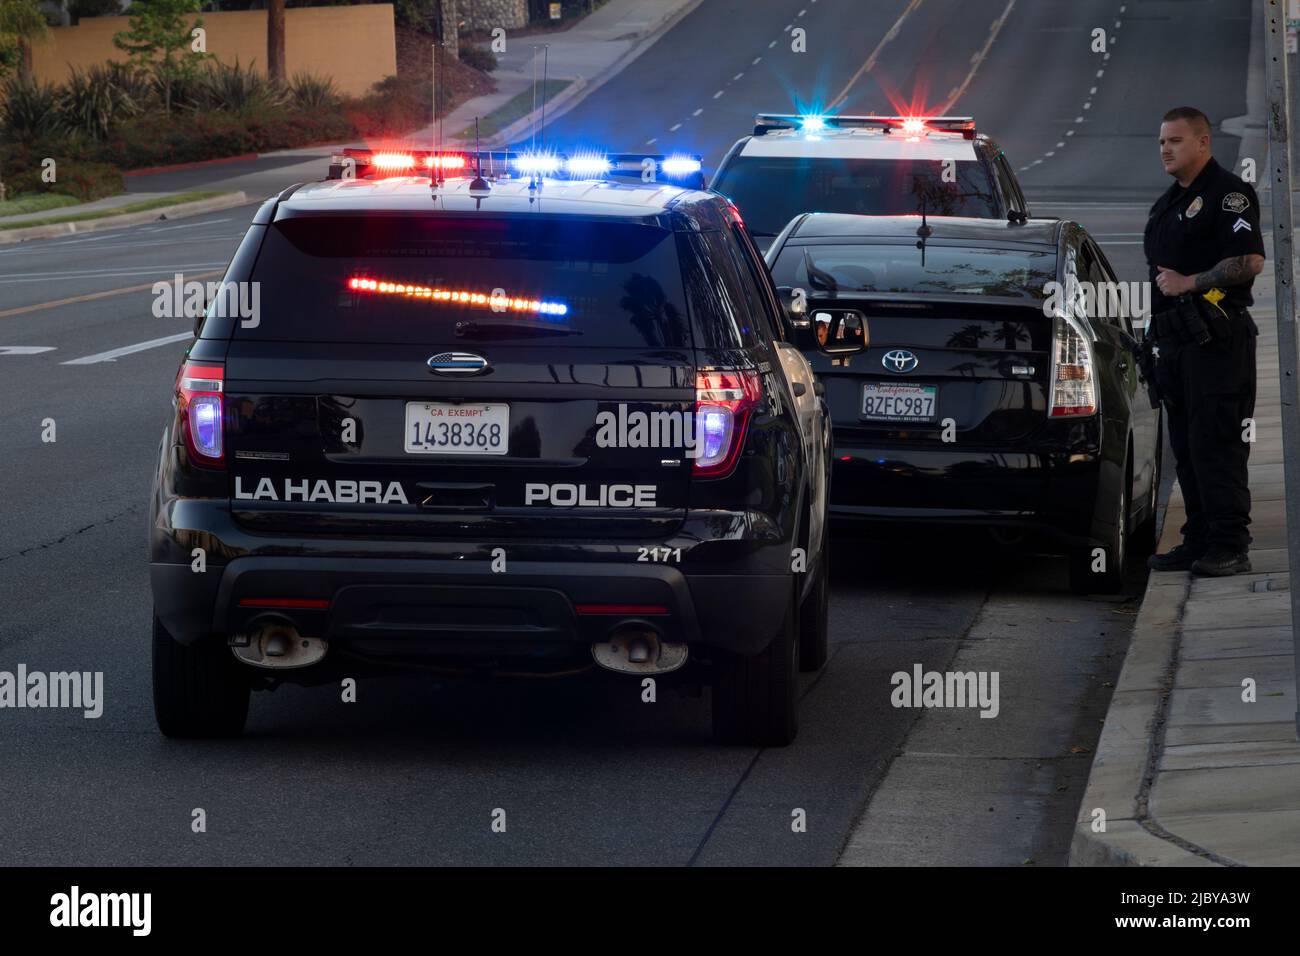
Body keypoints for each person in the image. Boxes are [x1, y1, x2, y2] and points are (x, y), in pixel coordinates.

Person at [1144, 107, 1265, 576]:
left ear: (1203, 143)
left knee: (1217, 444)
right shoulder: (1171, 201)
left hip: (1217, 341)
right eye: (1161, 142)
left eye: (1175, 141)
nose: (1165, 150)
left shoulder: (1229, 195)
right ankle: (1197, 539)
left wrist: (1191, 282)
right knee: (1188, 448)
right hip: (1177, 346)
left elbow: (1249, 260)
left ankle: (1230, 543)